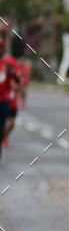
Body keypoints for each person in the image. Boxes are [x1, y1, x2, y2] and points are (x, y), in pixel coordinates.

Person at [0, 31, 21, 160]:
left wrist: (12, 72)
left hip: (4, 101)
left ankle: (1, 145)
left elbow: (18, 80)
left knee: (2, 126)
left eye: (1, 47)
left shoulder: (8, 63)